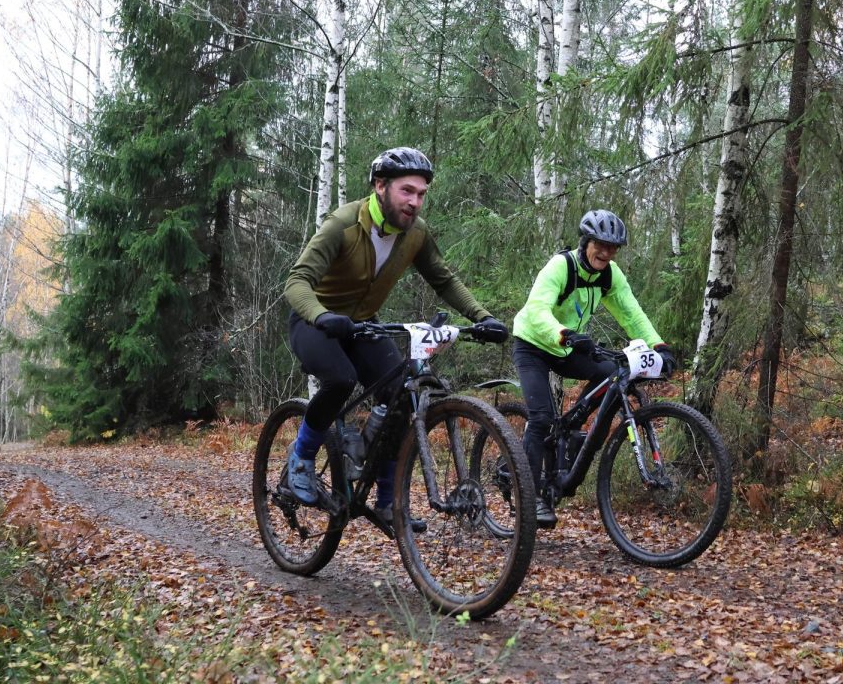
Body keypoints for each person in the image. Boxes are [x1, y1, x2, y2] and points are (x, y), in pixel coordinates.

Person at [282, 147, 508, 529]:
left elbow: (443, 279)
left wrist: (482, 316)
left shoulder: (415, 233)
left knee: (402, 394)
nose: (414, 202)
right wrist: (322, 315)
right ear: (380, 186)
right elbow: (297, 281)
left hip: (363, 324)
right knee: (340, 379)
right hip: (314, 320)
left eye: (421, 194)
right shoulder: (343, 225)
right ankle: (301, 460)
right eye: (407, 191)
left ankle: (389, 502)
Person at [511, 209, 676, 528]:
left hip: (568, 346)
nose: (606, 252)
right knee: (541, 418)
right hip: (533, 344)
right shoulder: (561, 266)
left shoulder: (609, 275)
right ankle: (530, 498)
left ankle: (571, 429)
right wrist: (563, 333)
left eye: (613, 248)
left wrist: (658, 345)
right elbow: (536, 310)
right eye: (600, 245)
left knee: (611, 372)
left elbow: (631, 314)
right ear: (585, 242)